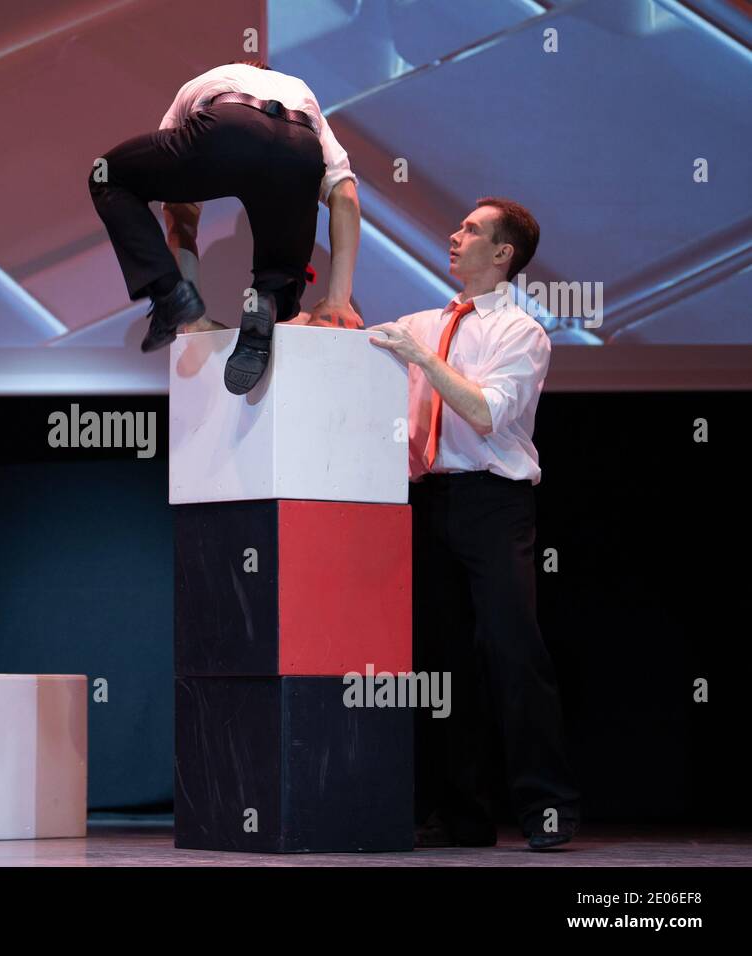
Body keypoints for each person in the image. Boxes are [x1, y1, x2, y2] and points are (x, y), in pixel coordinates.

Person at [367, 197, 581, 851]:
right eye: (459, 226)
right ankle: (459, 814)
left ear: (503, 253)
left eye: (471, 230)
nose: (454, 236)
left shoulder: (522, 332)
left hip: (494, 505)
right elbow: (347, 341)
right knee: (439, 665)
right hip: (429, 501)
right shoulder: (424, 320)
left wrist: (424, 359)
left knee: (514, 655)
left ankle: (548, 808)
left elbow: (486, 412)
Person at [88, 59, 363, 395]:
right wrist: (337, 300)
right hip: (299, 143)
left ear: (237, 68)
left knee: (109, 177)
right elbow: (344, 196)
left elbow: (181, 214)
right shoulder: (299, 89)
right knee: (279, 279)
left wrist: (192, 317)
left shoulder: (208, 80)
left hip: (229, 124)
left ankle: (170, 295)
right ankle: (265, 304)